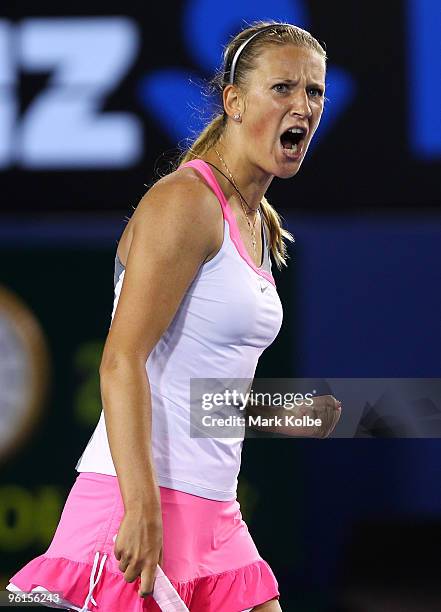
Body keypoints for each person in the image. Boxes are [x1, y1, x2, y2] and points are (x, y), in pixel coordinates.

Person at [7, 20, 341, 612]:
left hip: (215, 516)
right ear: (234, 102)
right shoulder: (185, 203)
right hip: (138, 503)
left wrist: (276, 412)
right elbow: (121, 359)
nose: (304, 106)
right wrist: (140, 507)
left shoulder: (257, 221)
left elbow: (192, 390)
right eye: (283, 88)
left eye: (314, 91)